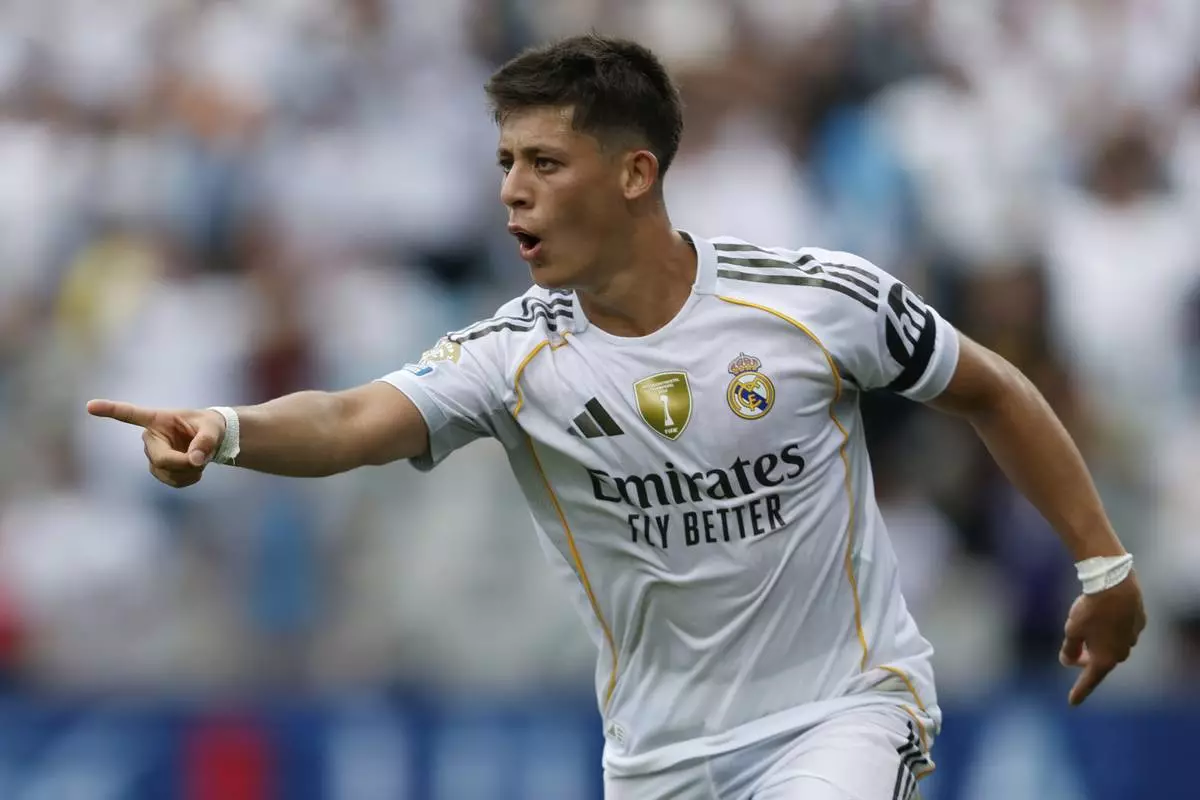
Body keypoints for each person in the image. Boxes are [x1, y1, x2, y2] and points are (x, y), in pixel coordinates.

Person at [88, 35, 1145, 800]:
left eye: (544, 163)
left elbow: (992, 388)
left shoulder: (815, 301)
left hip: (844, 711)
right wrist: (225, 429)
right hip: (657, 758)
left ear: (637, 172)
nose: (513, 193)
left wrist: (1103, 565)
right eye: (505, 163)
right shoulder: (516, 354)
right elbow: (356, 414)